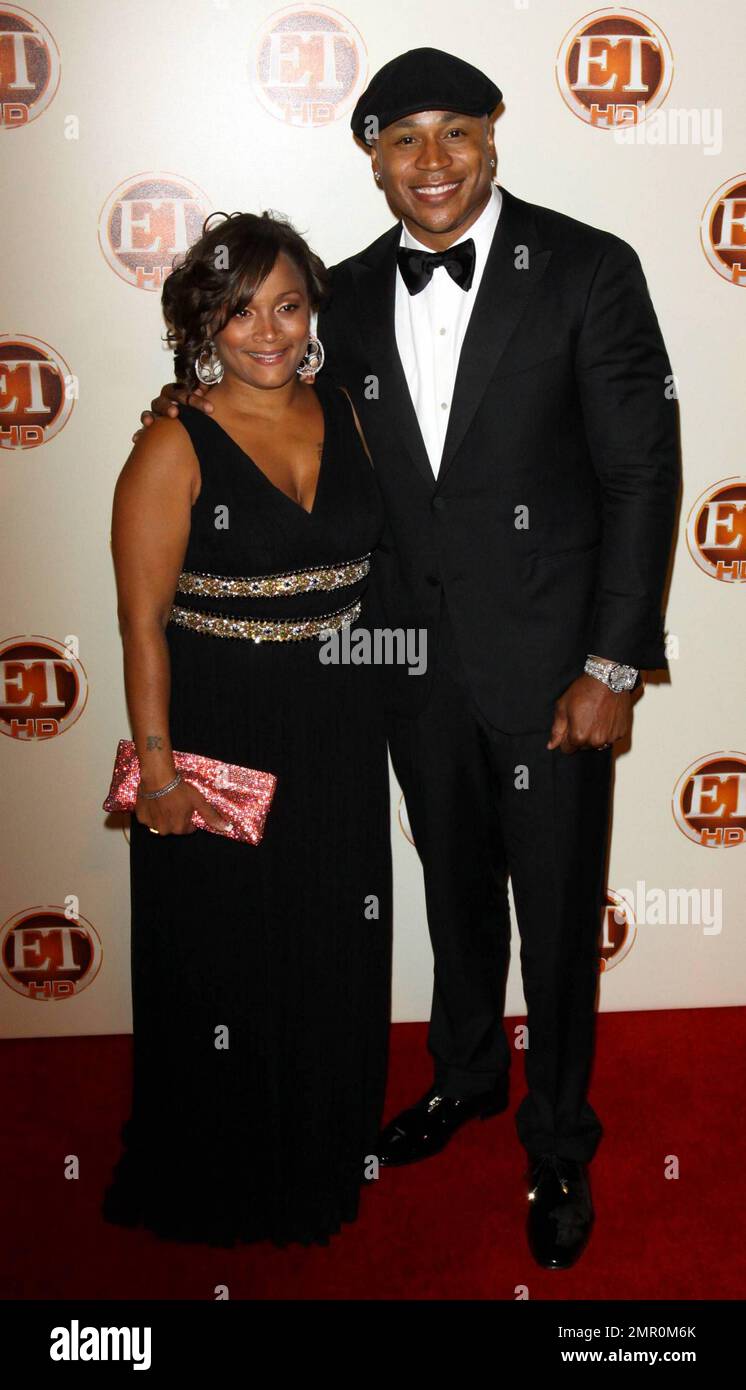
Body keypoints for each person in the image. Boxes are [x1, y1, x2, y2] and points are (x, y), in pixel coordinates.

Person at [137, 48, 680, 1269]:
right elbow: (268, 406)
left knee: (552, 915)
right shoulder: (342, 294)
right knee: (449, 896)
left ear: (492, 136)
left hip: (554, 676)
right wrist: (173, 413)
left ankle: (556, 1138)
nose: (430, 163)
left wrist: (613, 661)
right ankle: (467, 1079)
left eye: (453, 134)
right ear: (372, 158)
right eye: (402, 140)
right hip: (402, 668)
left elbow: (640, 473)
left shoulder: (588, 268)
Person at [103, 209, 392, 1247]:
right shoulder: (171, 443)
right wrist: (162, 772)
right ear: (202, 323)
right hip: (218, 726)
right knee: (221, 956)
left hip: (338, 728)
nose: (264, 330)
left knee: (328, 945)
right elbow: (141, 628)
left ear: (313, 312)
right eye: (238, 310)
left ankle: (319, 1146)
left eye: (285, 304)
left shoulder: (350, 411)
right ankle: (220, 1166)